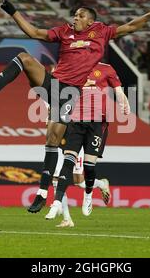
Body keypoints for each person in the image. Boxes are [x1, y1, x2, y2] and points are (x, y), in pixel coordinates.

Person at [0, 0, 150, 213]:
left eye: (80, 16)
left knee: (52, 139)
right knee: (24, 58)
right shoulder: (64, 31)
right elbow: (34, 33)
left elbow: (132, 26)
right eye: (75, 15)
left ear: (90, 21)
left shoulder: (102, 32)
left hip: (69, 93)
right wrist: (13, 11)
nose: (75, 18)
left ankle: (42, 194)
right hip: (54, 84)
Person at [44, 62, 130, 220]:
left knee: (80, 177)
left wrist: (125, 102)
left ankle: (96, 187)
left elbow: (118, 90)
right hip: (71, 126)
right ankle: (65, 217)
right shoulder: (59, 83)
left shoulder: (105, 68)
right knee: (63, 171)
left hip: (93, 124)